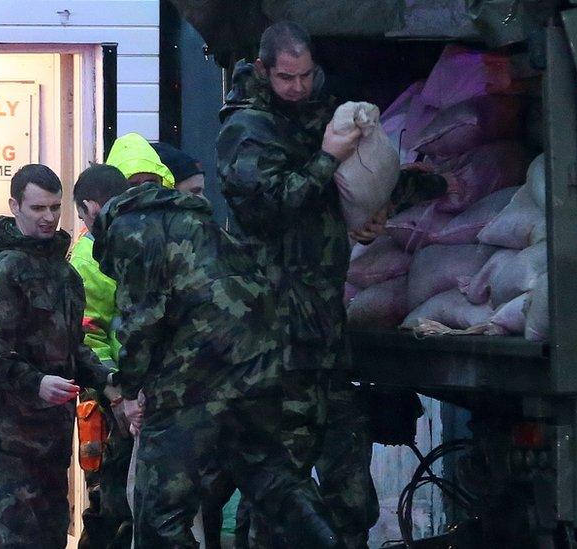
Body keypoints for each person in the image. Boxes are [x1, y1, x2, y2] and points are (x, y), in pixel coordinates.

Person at [92, 180, 343, 549]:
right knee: (273, 477)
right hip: (260, 362)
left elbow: (142, 320)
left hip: (196, 373)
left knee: (160, 511)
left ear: (95, 217)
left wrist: (130, 387)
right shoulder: (195, 221)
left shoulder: (131, 228)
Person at [216, 21, 378, 548]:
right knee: (280, 486)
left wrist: (389, 194)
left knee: (348, 485)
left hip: (322, 335)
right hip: (276, 343)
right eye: (288, 78)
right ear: (264, 70)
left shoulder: (312, 115)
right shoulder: (247, 130)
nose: (300, 87)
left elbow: (333, 193)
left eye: (307, 76)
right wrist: (328, 157)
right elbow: (270, 206)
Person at [0, 164, 114, 548]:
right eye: (38, 208)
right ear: (15, 205)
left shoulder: (62, 272)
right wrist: (36, 382)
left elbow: (71, 345)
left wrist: (107, 380)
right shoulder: (0, 269)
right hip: (9, 438)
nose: (48, 218)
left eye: (55, 208)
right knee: (10, 538)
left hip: (52, 436)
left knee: (49, 536)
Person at [70, 163, 135, 549]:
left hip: (130, 394)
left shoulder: (111, 248)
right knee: (107, 501)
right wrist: (117, 391)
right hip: (109, 396)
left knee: (119, 503)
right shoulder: (87, 260)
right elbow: (88, 338)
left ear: (89, 207)